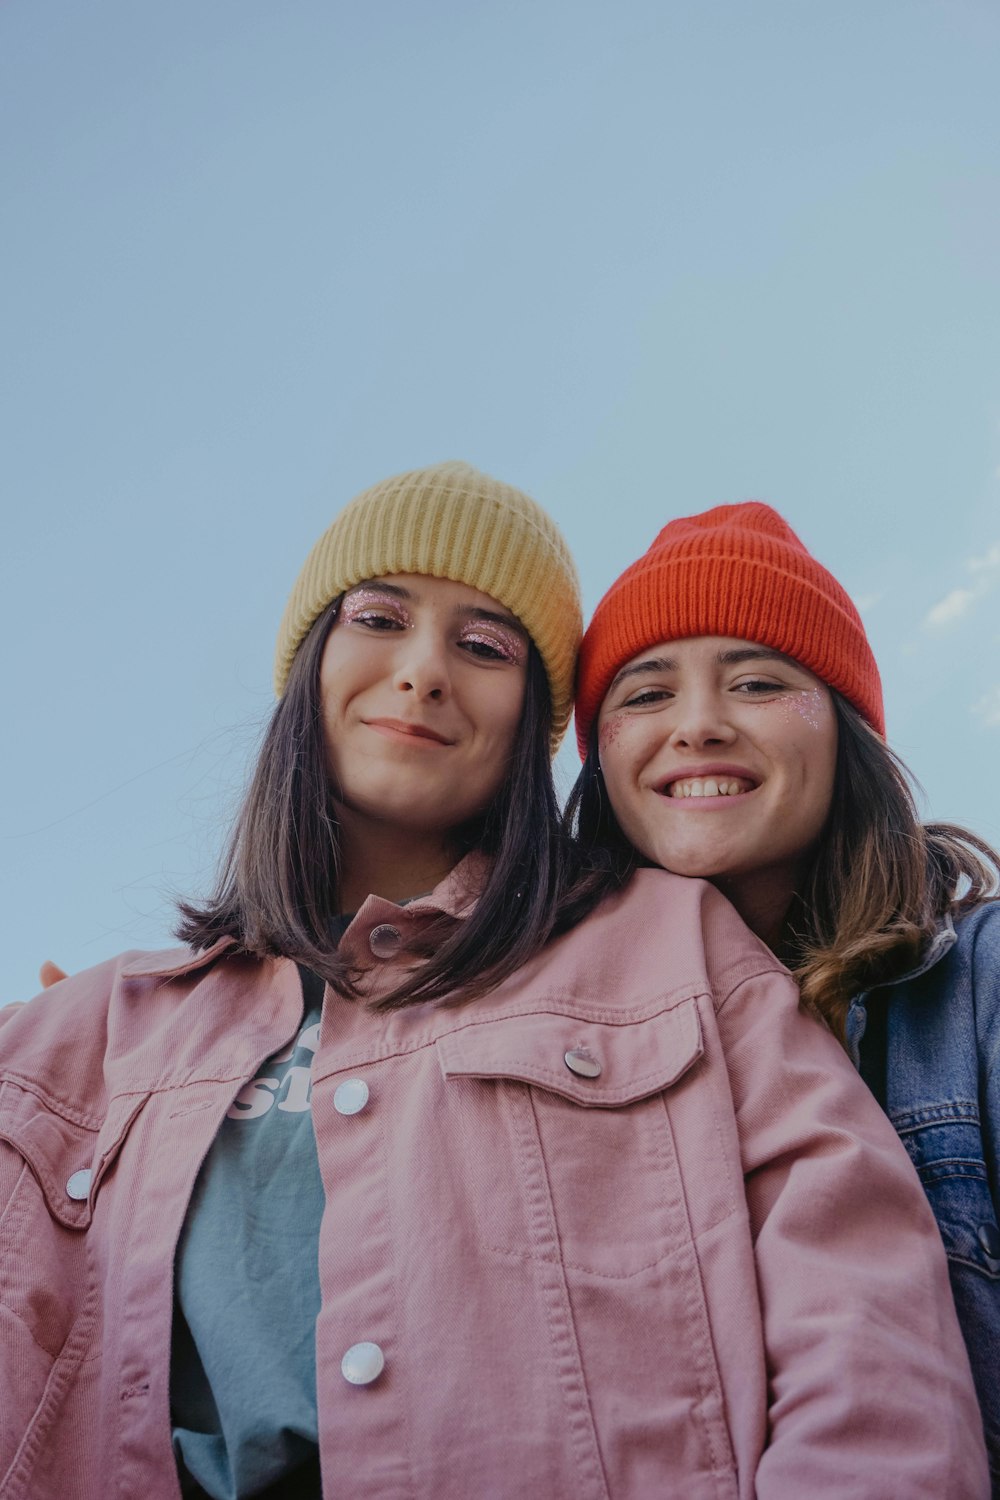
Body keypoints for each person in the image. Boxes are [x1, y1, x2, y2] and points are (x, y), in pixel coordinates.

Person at [0, 468, 987, 1499]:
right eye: (378, 618)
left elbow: (863, 1331)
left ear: (539, 723)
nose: (423, 672)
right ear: (311, 663)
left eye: (483, 646)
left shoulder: (669, 943)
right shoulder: (93, 1026)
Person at [571, 499, 1000, 1493]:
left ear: (844, 734)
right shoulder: (551, 1043)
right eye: (644, 694)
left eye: (759, 681)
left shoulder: (976, 986)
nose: (698, 725)